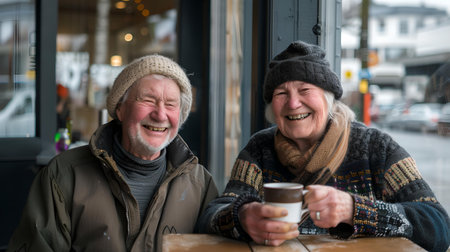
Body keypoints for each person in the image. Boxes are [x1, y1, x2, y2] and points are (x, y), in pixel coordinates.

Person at [197, 41, 450, 252]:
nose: (293, 103)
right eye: (281, 94)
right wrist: (242, 216)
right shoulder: (260, 148)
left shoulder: (376, 147)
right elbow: (211, 215)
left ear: (329, 99)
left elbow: (438, 227)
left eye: (305, 89)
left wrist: (355, 209)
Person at [7, 55, 218, 252]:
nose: (160, 114)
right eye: (148, 100)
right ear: (120, 109)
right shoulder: (64, 175)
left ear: (180, 118)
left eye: (171, 104)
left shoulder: (200, 184)